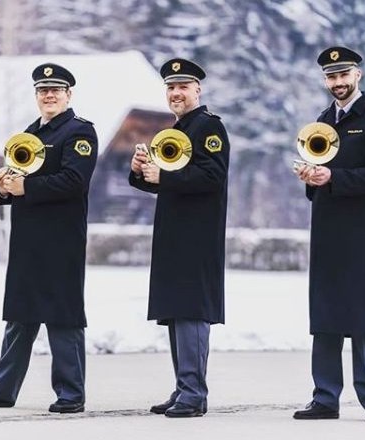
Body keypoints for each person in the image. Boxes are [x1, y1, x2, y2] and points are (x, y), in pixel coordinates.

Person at [0, 63, 98, 413]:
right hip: (27, 240)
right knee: (20, 316)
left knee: (63, 316)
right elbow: (18, 181)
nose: (48, 95)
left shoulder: (79, 133)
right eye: (42, 90)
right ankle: (1, 390)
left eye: (55, 90)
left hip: (61, 240)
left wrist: (26, 186)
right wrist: (5, 189)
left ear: (69, 95)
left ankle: (71, 393)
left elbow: (74, 181)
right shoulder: (28, 134)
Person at [293, 46, 365, 423]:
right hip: (327, 229)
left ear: (358, 75)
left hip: (364, 231)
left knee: (364, 313)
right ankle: (325, 397)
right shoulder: (321, 121)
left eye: (343, 75)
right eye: (331, 77)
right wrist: (311, 178)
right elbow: (319, 177)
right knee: (325, 312)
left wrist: (332, 177)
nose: (337, 82)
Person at [129, 58, 230, 418]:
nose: (176, 93)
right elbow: (162, 181)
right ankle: (184, 387)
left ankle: (194, 392)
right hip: (173, 233)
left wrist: (165, 177)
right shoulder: (173, 130)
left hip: (197, 236)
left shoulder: (209, 127)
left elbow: (212, 176)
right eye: (171, 88)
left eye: (183, 87)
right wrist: (140, 172)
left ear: (197, 90)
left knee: (191, 313)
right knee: (175, 313)